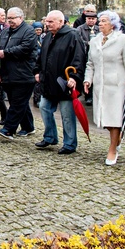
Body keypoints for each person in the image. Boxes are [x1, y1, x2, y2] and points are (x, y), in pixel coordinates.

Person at [83, 11, 125, 166]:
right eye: (99, 21)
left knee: (114, 118)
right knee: (104, 118)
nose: (100, 23)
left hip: (116, 86)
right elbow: (90, 63)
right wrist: (88, 80)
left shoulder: (123, 40)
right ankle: (117, 139)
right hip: (99, 85)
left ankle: (112, 149)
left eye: (104, 21)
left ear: (112, 23)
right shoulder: (94, 41)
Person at [33, 10, 85, 153]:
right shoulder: (48, 36)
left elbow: (79, 59)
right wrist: (37, 71)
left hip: (65, 82)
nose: (47, 24)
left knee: (67, 114)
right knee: (44, 107)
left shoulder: (73, 36)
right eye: (47, 21)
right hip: (48, 81)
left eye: (51, 22)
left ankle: (69, 143)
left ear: (61, 22)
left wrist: (75, 78)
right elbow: (41, 56)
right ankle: (50, 136)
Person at [0, 7, 38, 138]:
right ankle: (28, 127)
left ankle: (8, 129)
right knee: (18, 102)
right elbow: (1, 48)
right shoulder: (5, 32)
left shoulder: (29, 31)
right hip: (8, 73)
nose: (10, 21)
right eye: (9, 18)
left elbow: (25, 48)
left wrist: (5, 53)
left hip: (24, 73)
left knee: (17, 103)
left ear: (21, 18)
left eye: (13, 18)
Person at [77, 13, 99, 106]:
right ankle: (87, 96)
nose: (91, 20)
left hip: (96, 55)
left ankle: (95, 95)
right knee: (86, 75)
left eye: (93, 19)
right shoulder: (80, 29)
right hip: (84, 55)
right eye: (89, 18)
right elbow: (78, 40)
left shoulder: (98, 29)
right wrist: (87, 43)